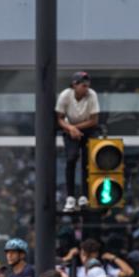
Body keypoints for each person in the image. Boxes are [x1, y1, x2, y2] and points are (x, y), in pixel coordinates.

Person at [56, 71, 100, 212]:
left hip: (88, 128)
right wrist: (70, 129)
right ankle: (70, 196)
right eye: (83, 85)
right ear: (75, 85)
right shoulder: (65, 95)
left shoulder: (92, 95)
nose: (86, 88)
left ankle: (85, 196)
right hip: (70, 129)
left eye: (87, 85)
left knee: (88, 160)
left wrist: (75, 128)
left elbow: (94, 120)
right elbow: (59, 118)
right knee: (71, 157)